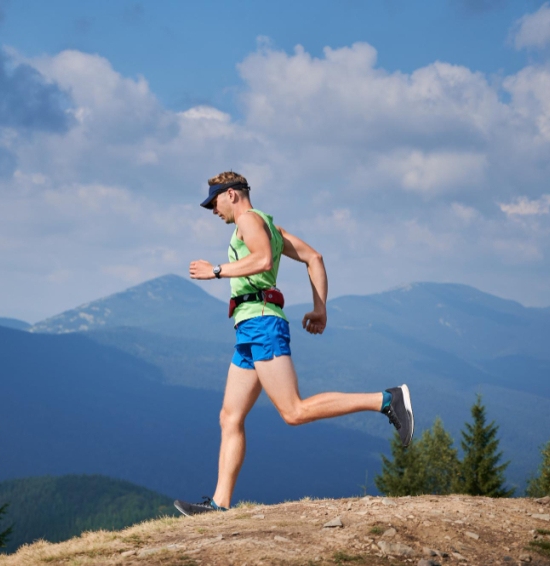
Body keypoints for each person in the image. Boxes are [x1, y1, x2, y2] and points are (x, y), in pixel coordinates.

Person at [174, 171, 414, 516]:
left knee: (294, 411)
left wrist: (216, 271)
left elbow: (262, 260)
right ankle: (218, 505)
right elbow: (314, 257)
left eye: (214, 202)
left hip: (261, 323)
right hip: (248, 328)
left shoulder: (249, 220)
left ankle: (387, 399)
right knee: (230, 416)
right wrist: (320, 308)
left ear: (231, 194)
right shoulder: (271, 227)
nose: (213, 210)